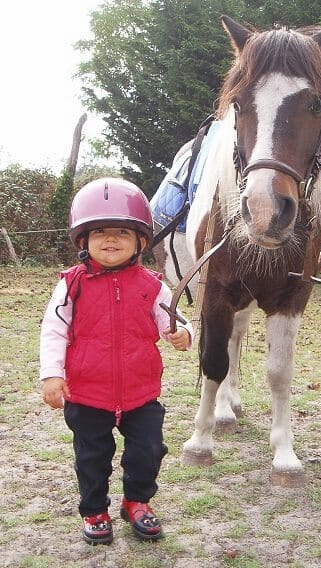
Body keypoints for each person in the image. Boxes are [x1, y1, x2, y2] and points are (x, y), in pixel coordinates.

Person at [40, 178, 192, 545]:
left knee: (148, 451)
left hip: (142, 394)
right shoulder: (71, 284)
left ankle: (136, 501)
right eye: (101, 232)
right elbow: (53, 330)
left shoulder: (153, 286)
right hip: (88, 395)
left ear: (141, 241)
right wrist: (51, 375)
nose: (111, 239)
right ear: (83, 240)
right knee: (92, 458)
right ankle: (94, 509)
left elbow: (175, 319)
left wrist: (183, 333)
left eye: (122, 232)